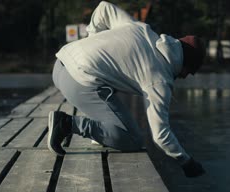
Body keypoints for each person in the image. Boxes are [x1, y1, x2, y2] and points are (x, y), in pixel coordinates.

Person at [48, 1, 205, 177]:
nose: (185, 77)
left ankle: (98, 134)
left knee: (110, 88)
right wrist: (186, 161)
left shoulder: (143, 30)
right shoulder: (159, 78)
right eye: (189, 72)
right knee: (133, 139)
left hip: (60, 64)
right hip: (77, 82)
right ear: (185, 63)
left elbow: (104, 8)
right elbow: (160, 134)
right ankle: (66, 124)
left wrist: (91, 44)